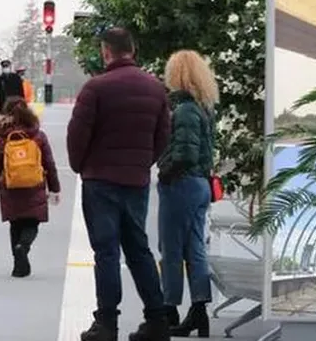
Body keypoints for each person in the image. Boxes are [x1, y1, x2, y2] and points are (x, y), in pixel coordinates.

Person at [67, 27, 172, 341]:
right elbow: (163, 136)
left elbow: (77, 135)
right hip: (135, 181)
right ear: (133, 51)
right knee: (139, 250)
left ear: (106, 51)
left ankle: (107, 324)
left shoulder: (95, 88)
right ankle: (157, 321)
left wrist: (81, 166)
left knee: (107, 252)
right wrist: (142, 163)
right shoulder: (156, 89)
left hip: (100, 181)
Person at [157, 50, 218, 337]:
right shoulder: (205, 107)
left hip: (181, 184)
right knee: (195, 250)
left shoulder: (183, 111)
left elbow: (184, 152)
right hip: (201, 186)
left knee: (170, 249)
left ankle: (169, 309)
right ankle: (199, 311)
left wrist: (164, 171)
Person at [0, 97, 61, 277]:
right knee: (32, 222)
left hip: (10, 186)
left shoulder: (2, 138)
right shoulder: (38, 135)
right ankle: (24, 246)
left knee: (15, 223)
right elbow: (49, 164)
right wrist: (54, 188)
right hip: (34, 185)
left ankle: (18, 265)